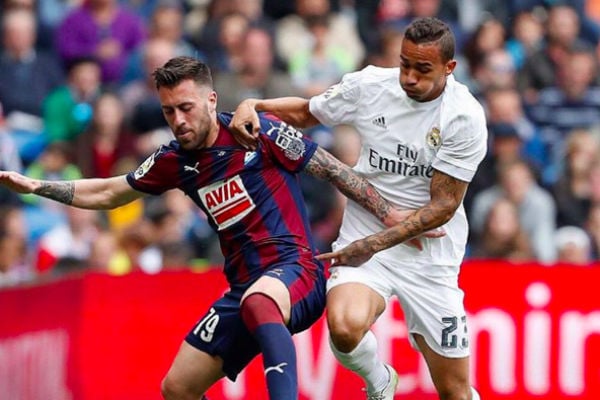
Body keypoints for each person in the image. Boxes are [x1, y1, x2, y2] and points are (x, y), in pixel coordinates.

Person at [0, 56, 402, 400]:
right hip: (243, 289)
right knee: (177, 387)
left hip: (297, 271)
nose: (178, 120)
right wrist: (38, 186)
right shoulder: (173, 161)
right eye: (168, 111)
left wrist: (392, 217)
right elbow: (109, 192)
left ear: (211, 100)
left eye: (186, 107)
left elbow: (333, 170)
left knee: (259, 302)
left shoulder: (259, 133)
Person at [230, 17, 486, 400]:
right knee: (345, 327)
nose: (410, 77)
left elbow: (443, 207)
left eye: (423, 69)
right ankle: (379, 381)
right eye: (404, 64)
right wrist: (255, 104)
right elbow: (306, 112)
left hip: (431, 254)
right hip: (365, 231)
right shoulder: (370, 86)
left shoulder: (463, 117)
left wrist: (373, 243)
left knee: (454, 391)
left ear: (449, 68)